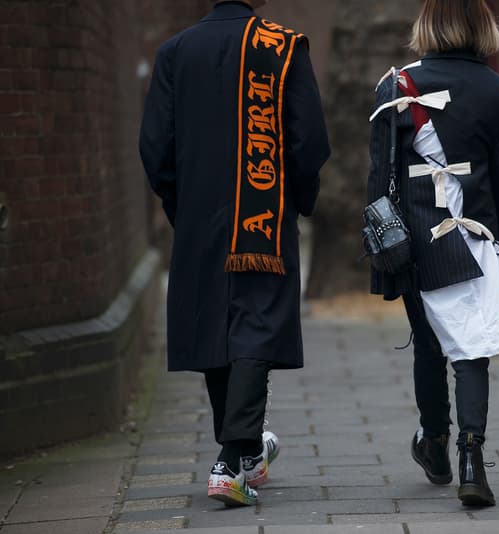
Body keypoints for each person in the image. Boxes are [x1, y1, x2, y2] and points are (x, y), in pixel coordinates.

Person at [140, 0, 329, 507]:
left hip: (200, 217)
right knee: (256, 323)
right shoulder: (283, 46)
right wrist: (298, 200)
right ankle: (229, 459)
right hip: (263, 214)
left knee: (215, 325)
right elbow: (309, 141)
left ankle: (246, 453)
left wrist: (184, 207)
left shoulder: (174, 52)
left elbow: (155, 147)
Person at [367, 0, 499, 507]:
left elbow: (378, 180)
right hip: (477, 233)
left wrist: (383, 264)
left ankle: (434, 444)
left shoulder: (395, 86)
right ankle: (471, 458)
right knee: (472, 347)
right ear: (484, 28)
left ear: (427, 26)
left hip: (413, 239)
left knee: (429, 341)